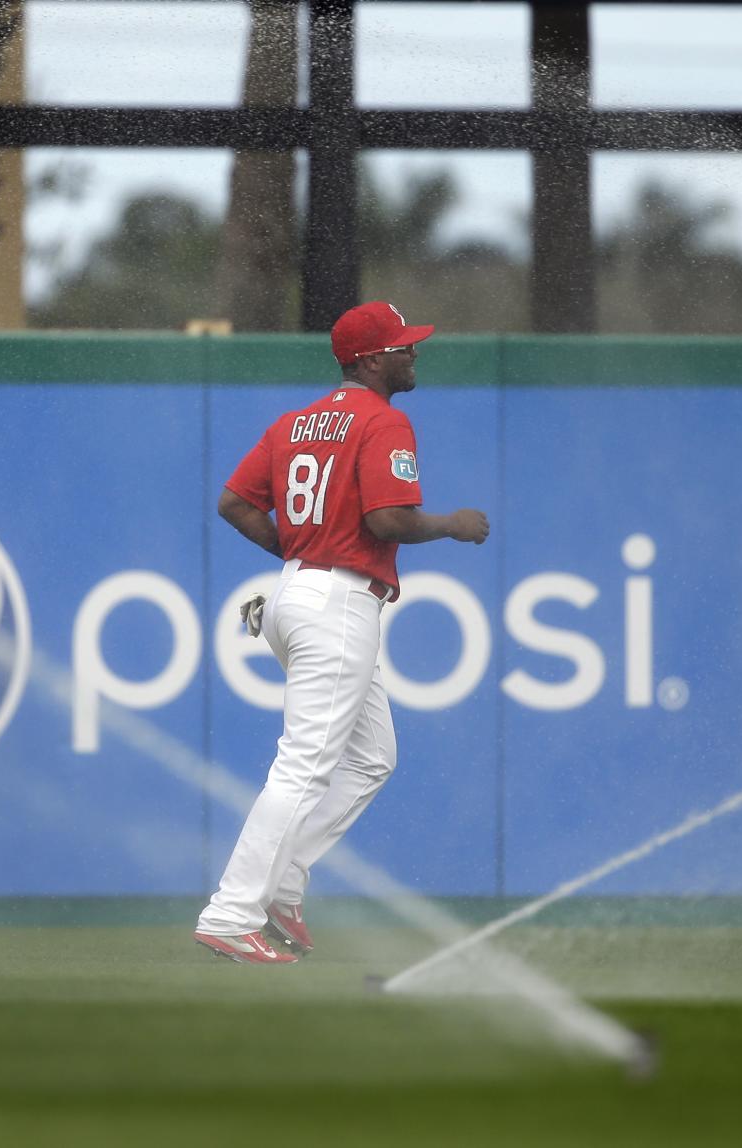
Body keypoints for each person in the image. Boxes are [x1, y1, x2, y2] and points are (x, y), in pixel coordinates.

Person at [193, 301, 491, 964]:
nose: (413, 354)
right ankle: (231, 911)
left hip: (297, 591)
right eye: (402, 347)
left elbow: (234, 503)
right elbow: (388, 522)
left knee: (369, 757)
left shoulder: (295, 422)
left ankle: (282, 884)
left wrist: (301, 555)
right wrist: (452, 523)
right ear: (369, 359)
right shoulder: (385, 421)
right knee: (302, 767)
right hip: (339, 601)